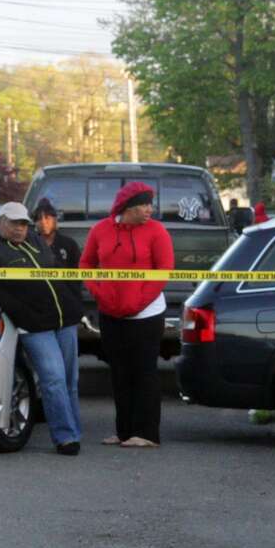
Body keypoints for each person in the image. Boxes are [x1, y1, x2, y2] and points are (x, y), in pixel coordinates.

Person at [0, 202, 85, 456]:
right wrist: (23, 315)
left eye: (23, 223)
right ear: (0, 223)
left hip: (65, 320)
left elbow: (60, 273)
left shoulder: (37, 241)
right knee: (53, 380)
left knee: (70, 380)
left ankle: (74, 431)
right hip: (36, 327)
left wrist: (74, 304)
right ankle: (65, 437)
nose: (19, 229)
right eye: (14, 223)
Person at [80, 181, 174, 448]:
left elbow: (165, 269)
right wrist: (99, 291)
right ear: (127, 207)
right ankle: (123, 432)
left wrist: (140, 301)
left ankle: (146, 433)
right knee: (120, 373)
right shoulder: (101, 230)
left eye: (150, 205)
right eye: (143, 205)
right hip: (111, 313)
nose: (149, 210)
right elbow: (86, 263)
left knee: (144, 372)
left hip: (147, 314)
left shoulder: (157, 231)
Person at [31, 198, 81, 269]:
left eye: (47, 218)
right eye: (39, 219)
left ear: (55, 220)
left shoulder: (69, 244)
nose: (43, 222)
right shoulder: (30, 244)